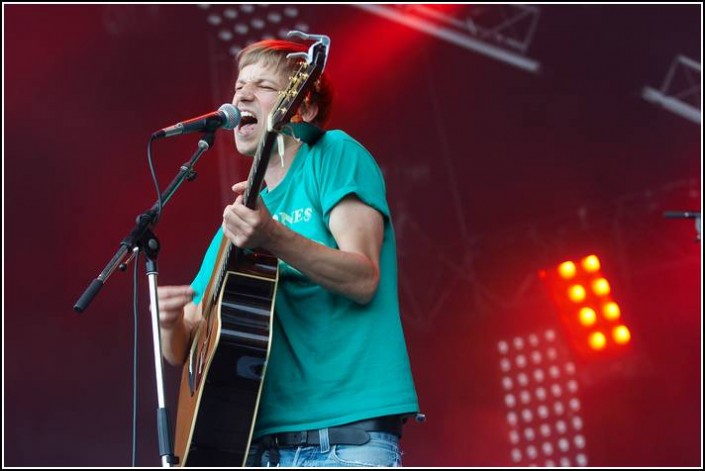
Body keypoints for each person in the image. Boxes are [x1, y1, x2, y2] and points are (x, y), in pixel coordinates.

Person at [157, 38, 419, 467]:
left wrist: (273, 237)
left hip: (343, 441)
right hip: (260, 450)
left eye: (262, 86)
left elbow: (364, 278)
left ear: (304, 105)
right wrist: (170, 321)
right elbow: (186, 341)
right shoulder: (240, 219)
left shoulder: (331, 154)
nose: (241, 94)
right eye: (239, 85)